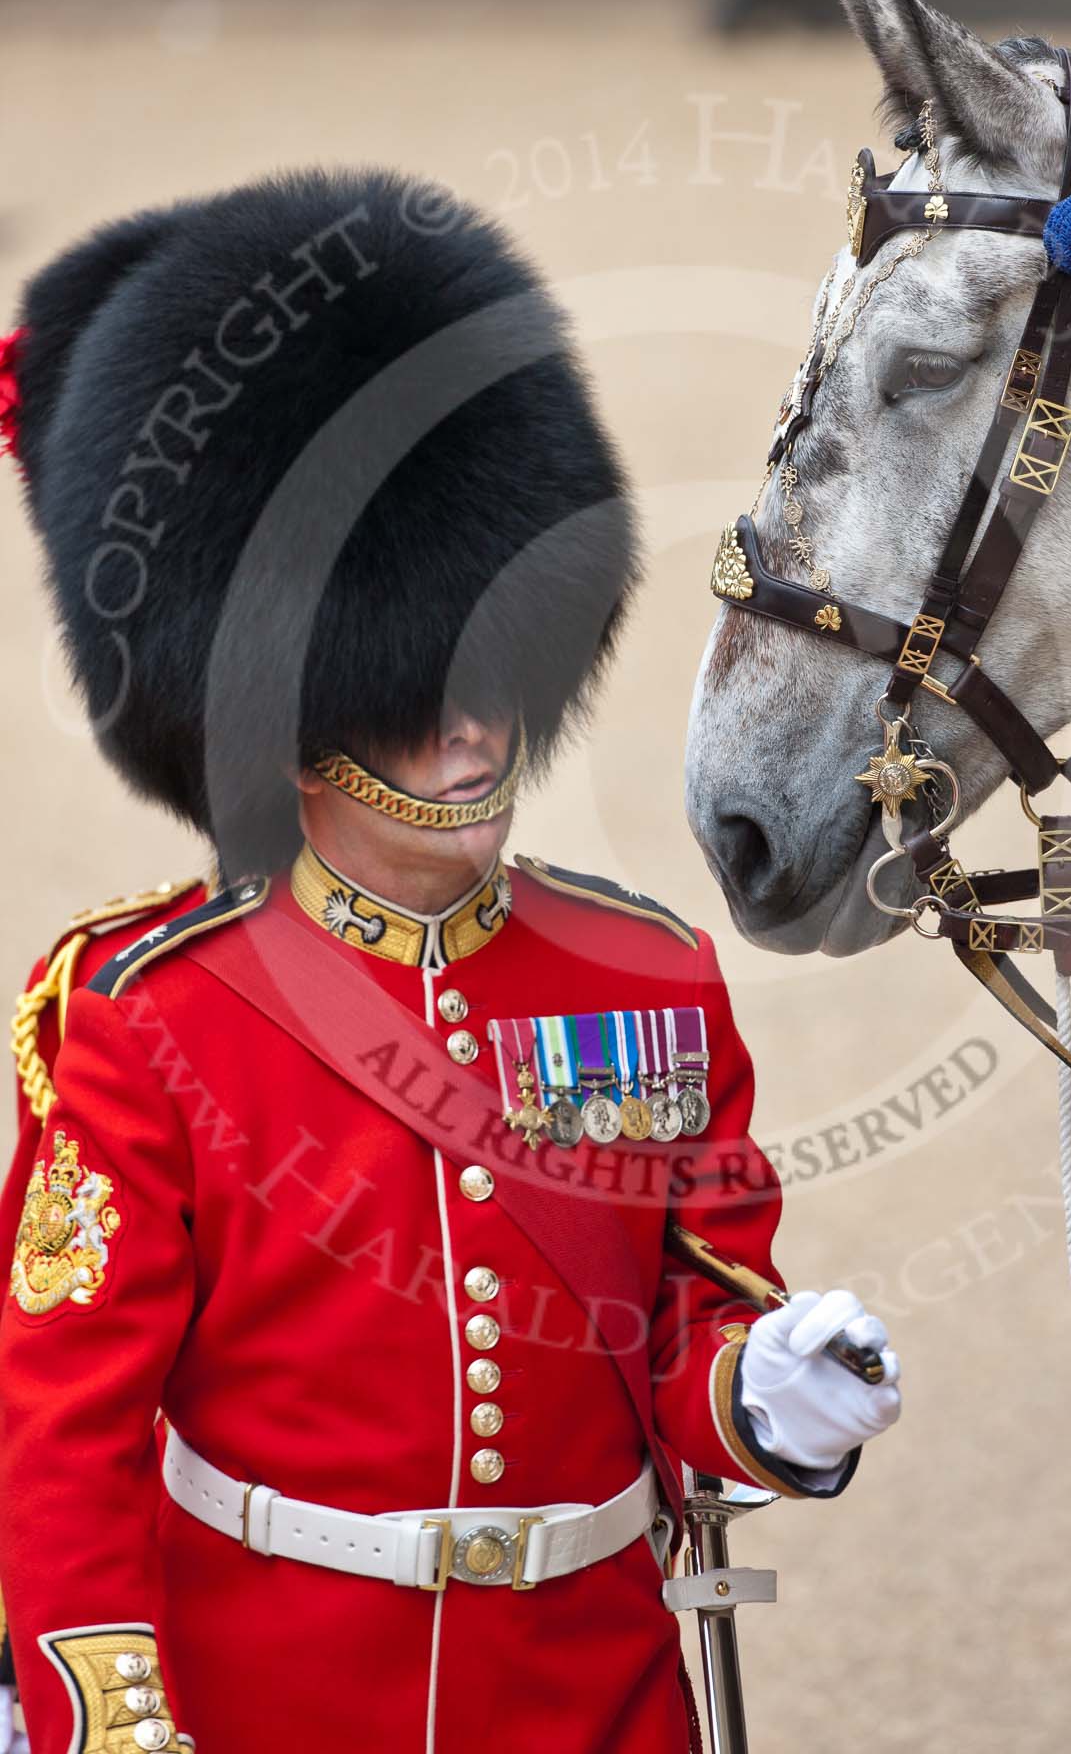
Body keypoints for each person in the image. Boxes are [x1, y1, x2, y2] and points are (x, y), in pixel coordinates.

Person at [0, 170, 902, 1754]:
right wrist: (105, 1710)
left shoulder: (642, 978)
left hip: (593, 1690)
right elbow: (64, 1427)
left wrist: (760, 1394)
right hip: (270, 1693)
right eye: (416, 676)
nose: (474, 716)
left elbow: (680, 1330)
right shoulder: (151, 1019)